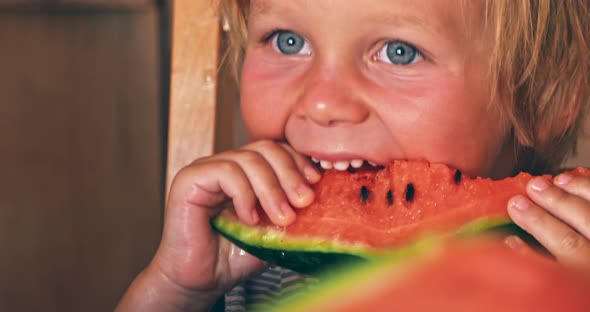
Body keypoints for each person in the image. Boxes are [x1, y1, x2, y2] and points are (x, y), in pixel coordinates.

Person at [116, 0, 590, 311]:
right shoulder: (245, 278)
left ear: (542, 98)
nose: (321, 104)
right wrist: (176, 289)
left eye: (399, 52)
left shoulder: (569, 278)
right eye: (288, 41)